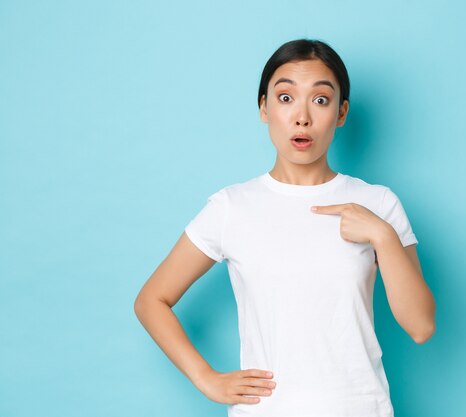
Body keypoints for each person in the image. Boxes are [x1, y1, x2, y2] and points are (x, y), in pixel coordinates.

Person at [134, 38, 436, 417]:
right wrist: (206, 378)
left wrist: (383, 236)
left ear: (341, 113)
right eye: (286, 97)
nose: (303, 117)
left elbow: (421, 326)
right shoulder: (232, 207)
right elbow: (151, 300)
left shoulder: (378, 203)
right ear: (264, 107)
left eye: (321, 100)